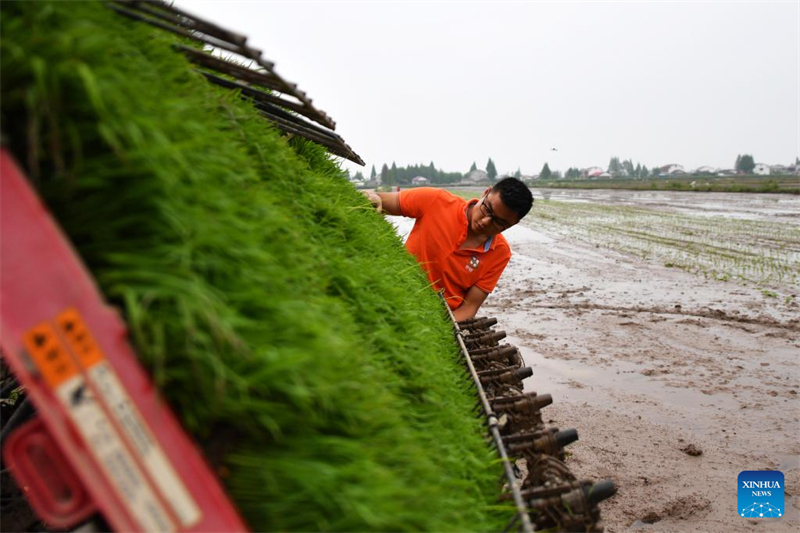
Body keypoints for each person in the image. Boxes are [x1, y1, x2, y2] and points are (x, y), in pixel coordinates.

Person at [365, 178, 533, 321]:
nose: (485, 222)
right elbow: (379, 200)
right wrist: (374, 198)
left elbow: (469, 307)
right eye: (487, 209)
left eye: (498, 223)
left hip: (437, 313)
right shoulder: (436, 201)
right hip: (398, 286)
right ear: (486, 193)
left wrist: (438, 325)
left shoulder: (500, 253)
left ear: (512, 224)